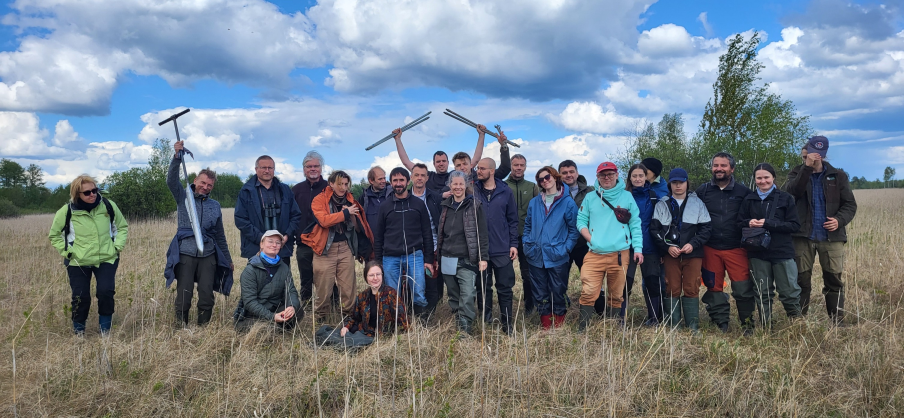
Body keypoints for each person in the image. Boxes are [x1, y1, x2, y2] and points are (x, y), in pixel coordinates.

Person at [784, 136, 857, 324]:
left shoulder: (838, 175)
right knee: (801, 280)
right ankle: (798, 321)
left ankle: (837, 321)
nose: (808, 159)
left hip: (831, 237)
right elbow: (793, 192)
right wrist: (806, 169)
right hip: (802, 236)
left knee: (833, 280)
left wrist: (839, 221)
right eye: (804, 157)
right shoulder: (796, 173)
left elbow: (849, 205)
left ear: (823, 156)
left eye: (812, 156)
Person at [164, 140, 233, 326]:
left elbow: (220, 235)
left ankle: (203, 328)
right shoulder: (182, 196)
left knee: (206, 295)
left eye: (210, 185)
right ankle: (181, 327)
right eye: (203, 182)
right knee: (184, 294)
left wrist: (227, 259)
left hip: (208, 254)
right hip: (186, 252)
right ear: (195, 180)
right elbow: (170, 180)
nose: (205, 187)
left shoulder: (215, 206)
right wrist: (177, 158)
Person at [49, 175, 129, 335]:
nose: (92, 194)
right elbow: (54, 235)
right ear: (77, 194)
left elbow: (122, 227)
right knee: (80, 296)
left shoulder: (108, 205)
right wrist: (68, 252)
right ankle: (79, 333)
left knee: (105, 292)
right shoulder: (66, 211)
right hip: (78, 262)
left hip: (107, 258)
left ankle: (105, 332)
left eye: (94, 190)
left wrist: (116, 247)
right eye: (87, 192)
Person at [575, 162, 643, 331]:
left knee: (616, 294)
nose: (606, 178)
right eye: (602, 175)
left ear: (616, 175)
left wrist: (638, 249)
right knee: (589, 291)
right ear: (597, 177)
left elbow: (635, 223)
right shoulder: (591, 197)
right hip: (594, 253)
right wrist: (591, 238)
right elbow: (581, 221)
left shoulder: (627, 197)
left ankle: (612, 327)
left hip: (620, 254)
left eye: (610, 174)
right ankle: (583, 327)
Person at [300, 170, 374, 321]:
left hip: (345, 247)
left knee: (348, 287)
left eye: (346, 184)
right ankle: (321, 319)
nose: (343, 187)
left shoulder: (350, 199)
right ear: (331, 184)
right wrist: (345, 214)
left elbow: (358, 228)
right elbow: (324, 221)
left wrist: (353, 217)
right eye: (340, 184)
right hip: (325, 249)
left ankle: (350, 319)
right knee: (323, 289)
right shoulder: (319, 199)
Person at [738, 163, 802, 332]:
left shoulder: (785, 198)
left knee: (789, 291)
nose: (763, 181)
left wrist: (768, 224)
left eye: (766, 177)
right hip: (757, 252)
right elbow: (739, 223)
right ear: (755, 180)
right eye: (759, 178)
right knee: (762, 292)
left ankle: (797, 326)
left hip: (782, 251)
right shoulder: (749, 199)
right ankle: (767, 327)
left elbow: (794, 225)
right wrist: (748, 223)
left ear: (773, 178)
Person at [694, 152, 754, 332]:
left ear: (732, 168)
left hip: (737, 248)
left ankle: (748, 323)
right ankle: (721, 323)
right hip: (710, 248)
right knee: (713, 287)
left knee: (743, 288)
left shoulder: (744, 192)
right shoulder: (702, 191)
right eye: (716, 165)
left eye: (723, 166)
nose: (719, 169)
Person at [651, 168, 711, 332]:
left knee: (692, 287)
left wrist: (693, 244)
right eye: (674, 182)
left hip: (693, 253)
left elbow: (706, 229)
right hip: (671, 254)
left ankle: (693, 326)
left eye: (681, 182)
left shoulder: (697, 203)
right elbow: (654, 230)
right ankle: (673, 326)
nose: (678, 186)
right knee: (672, 287)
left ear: (687, 182)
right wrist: (666, 247)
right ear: (670, 184)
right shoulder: (662, 204)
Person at [372, 167, 436, 320]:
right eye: (395, 180)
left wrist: (428, 260)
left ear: (408, 181)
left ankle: (421, 323)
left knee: (418, 291)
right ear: (391, 183)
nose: (398, 183)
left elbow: (427, 233)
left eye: (401, 180)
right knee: (393, 292)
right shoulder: (385, 206)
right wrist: (378, 261)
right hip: (390, 257)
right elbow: (378, 235)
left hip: (414, 254)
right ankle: (395, 323)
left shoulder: (418, 205)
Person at [522, 166, 579, 329]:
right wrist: (527, 243)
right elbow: (527, 225)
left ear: (555, 177)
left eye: (547, 177)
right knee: (540, 293)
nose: (544, 181)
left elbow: (574, 230)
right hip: (536, 255)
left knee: (558, 291)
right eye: (540, 179)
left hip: (557, 255)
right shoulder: (535, 202)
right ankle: (546, 327)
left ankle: (558, 327)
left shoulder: (567, 202)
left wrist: (566, 248)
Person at [436, 171, 489, 334]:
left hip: (467, 258)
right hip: (447, 257)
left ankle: (465, 328)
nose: (458, 187)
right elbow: (441, 233)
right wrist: (438, 256)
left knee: (467, 294)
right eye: (455, 184)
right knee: (453, 294)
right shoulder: (445, 206)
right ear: (450, 186)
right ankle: (458, 319)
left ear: (466, 185)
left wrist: (483, 257)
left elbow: (482, 233)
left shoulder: (475, 205)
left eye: (461, 184)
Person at [473, 157, 519, 334]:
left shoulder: (505, 192)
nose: (479, 171)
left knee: (505, 288)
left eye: (483, 168)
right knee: (483, 288)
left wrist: (513, 243)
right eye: (478, 168)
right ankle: (486, 321)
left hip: (502, 248)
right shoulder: (473, 191)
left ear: (492, 171)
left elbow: (512, 220)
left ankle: (507, 324)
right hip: (480, 250)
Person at [235, 155, 302, 264]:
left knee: (282, 279)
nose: (267, 171)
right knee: (257, 279)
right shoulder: (246, 191)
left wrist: (285, 236)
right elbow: (240, 219)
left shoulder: (285, 190)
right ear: (256, 169)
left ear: (274, 170)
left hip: (281, 249)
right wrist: (262, 239)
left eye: (270, 168)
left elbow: (296, 215)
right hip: (256, 249)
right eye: (263, 168)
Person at [234, 230, 301, 332]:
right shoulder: (250, 270)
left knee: (298, 311)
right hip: (253, 315)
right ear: (262, 244)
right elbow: (250, 302)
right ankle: (273, 327)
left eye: (278, 243)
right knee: (266, 330)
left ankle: (277, 326)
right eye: (270, 241)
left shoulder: (284, 268)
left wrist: (292, 307)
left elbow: (291, 291)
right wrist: (272, 317)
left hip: (275, 309)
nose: (274, 245)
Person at [625, 163, 666, 326]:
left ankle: (654, 318)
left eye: (641, 176)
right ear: (629, 178)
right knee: (624, 283)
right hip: (627, 247)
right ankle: (621, 318)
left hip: (650, 247)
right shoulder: (624, 196)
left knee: (652, 283)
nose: (637, 179)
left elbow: (660, 223)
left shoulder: (654, 196)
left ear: (646, 177)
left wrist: (661, 248)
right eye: (634, 176)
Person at [393, 125, 485, 195]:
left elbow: (475, 160)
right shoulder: (428, 176)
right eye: (438, 161)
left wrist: (481, 135)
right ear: (434, 164)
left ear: (448, 163)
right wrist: (398, 139)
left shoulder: (455, 175)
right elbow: (406, 162)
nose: (441, 163)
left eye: (444, 161)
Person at [334, 262, 410, 346]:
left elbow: (403, 320)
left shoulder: (391, 294)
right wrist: (346, 327)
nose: (375, 278)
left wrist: (399, 339)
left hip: (382, 337)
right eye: (371, 275)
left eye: (378, 274)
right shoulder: (362, 296)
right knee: (336, 338)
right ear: (366, 277)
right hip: (364, 333)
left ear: (382, 275)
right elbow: (353, 317)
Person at [292, 150, 329, 305]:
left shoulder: (329, 188)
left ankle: (329, 306)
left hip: (325, 242)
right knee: (306, 277)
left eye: (316, 166)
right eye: (309, 166)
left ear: (321, 168)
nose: (312, 169)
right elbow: (291, 214)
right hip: (304, 242)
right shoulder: (296, 190)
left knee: (327, 277)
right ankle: (306, 306)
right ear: (304, 169)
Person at [505, 154, 540, 314]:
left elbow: (539, 212)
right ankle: (506, 308)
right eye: (515, 165)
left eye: (521, 165)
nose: (518, 168)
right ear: (511, 166)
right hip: (506, 238)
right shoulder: (503, 186)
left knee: (528, 274)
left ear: (525, 167)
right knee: (505, 274)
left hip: (528, 237)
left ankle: (529, 307)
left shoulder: (533, 187)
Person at [409, 162, 444, 318]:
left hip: (433, 246)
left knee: (431, 281)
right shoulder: (405, 197)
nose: (419, 178)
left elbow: (441, 222)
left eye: (423, 175)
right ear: (411, 177)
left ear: (427, 178)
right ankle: (413, 311)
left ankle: (429, 315)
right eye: (416, 175)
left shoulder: (435, 197)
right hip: (412, 247)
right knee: (413, 281)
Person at [559, 160, 595, 273]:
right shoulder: (554, 193)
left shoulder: (590, 192)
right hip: (562, 242)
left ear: (577, 173)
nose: (568, 175)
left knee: (590, 277)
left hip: (585, 242)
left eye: (571, 171)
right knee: (560, 280)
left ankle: (599, 292)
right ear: (559, 175)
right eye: (564, 173)